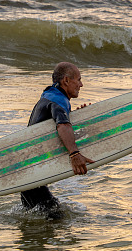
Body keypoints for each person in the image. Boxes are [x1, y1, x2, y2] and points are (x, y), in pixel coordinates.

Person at [20, 62, 95, 219]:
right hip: (33, 176)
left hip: (28, 174)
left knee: (34, 225)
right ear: (66, 81)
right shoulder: (58, 100)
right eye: (79, 79)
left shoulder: (50, 97)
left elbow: (55, 129)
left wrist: (75, 117)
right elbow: (62, 126)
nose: (81, 84)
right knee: (58, 219)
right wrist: (75, 154)